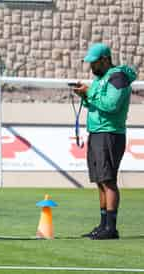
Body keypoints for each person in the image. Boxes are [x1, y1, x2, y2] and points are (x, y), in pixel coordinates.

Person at [73, 43, 136, 240]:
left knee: (108, 180)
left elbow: (111, 105)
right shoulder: (100, 79)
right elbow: (97, 103)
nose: (91, 66)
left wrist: (90, 93)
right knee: (100, 180)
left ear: (105, 60)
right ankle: (103, 225)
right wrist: (85, 95)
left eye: (94, 62)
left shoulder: (118, 78)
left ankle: (111, 228)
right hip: (98, 133)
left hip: (110, 134)